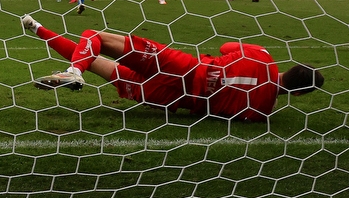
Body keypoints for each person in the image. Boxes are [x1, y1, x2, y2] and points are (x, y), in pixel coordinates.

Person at [20, 14, 323, 122]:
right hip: (175, 99)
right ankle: (40, 31)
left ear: (292, 66)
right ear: (298, 96)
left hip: (184, 67)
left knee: (96, 38)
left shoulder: (262, 55)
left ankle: (74, 69)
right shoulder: (262, 111)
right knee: (100, 64)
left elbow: (225, 49)